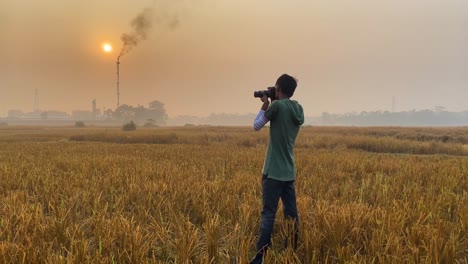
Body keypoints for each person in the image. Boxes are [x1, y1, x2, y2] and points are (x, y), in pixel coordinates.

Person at [250, 74, 304, 264]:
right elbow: (284, 113)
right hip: (288, 171)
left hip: (272, 172)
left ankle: (259, 259)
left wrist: (265, 103)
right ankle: (292, 252)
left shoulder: (277, 106)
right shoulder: (298, 108)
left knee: (268, 215)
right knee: (291, 215)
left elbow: (256, 126)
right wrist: (274, 100)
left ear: (278, 88)